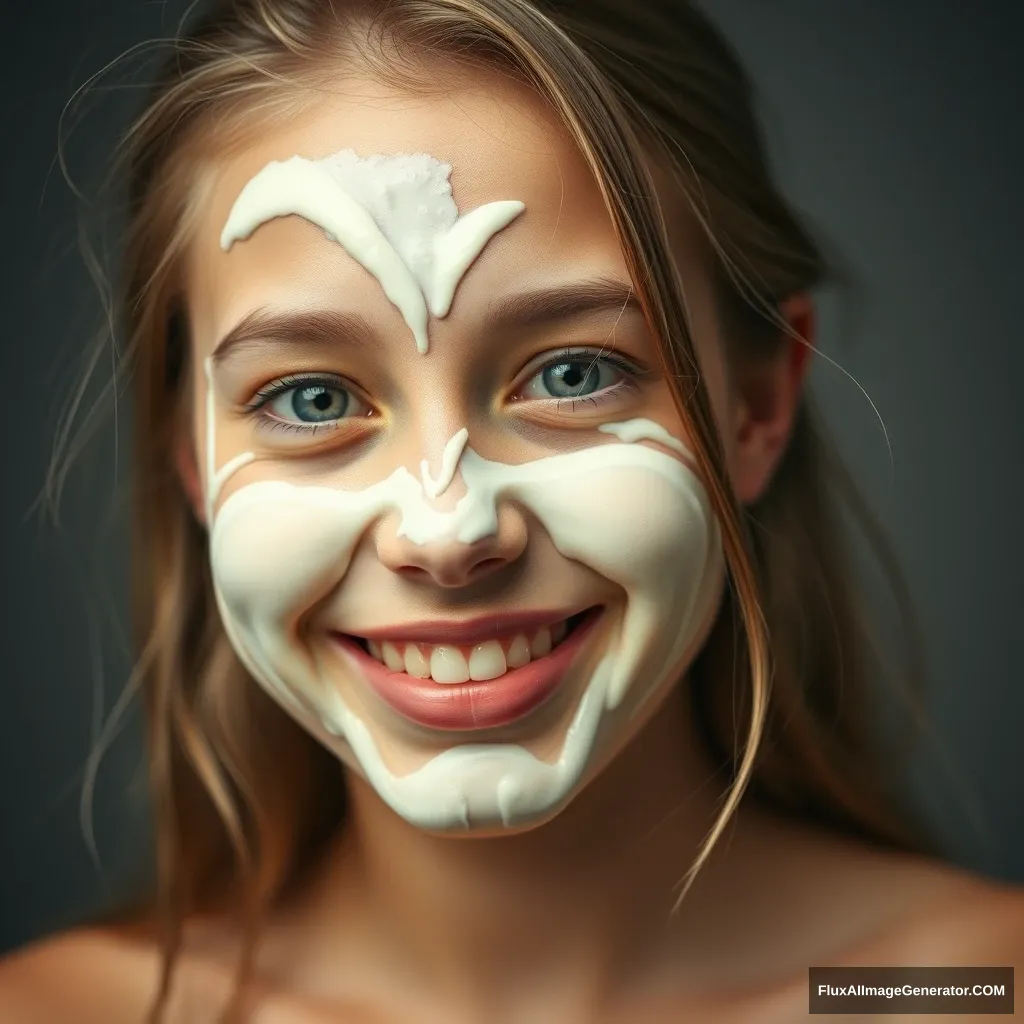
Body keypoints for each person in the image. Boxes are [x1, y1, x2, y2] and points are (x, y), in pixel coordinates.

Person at [2, 0, 1022, 1020]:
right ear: (189, 452)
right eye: (310, 398)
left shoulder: (958, 993)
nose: (446, 533)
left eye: (575, 372)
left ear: (755, 407)